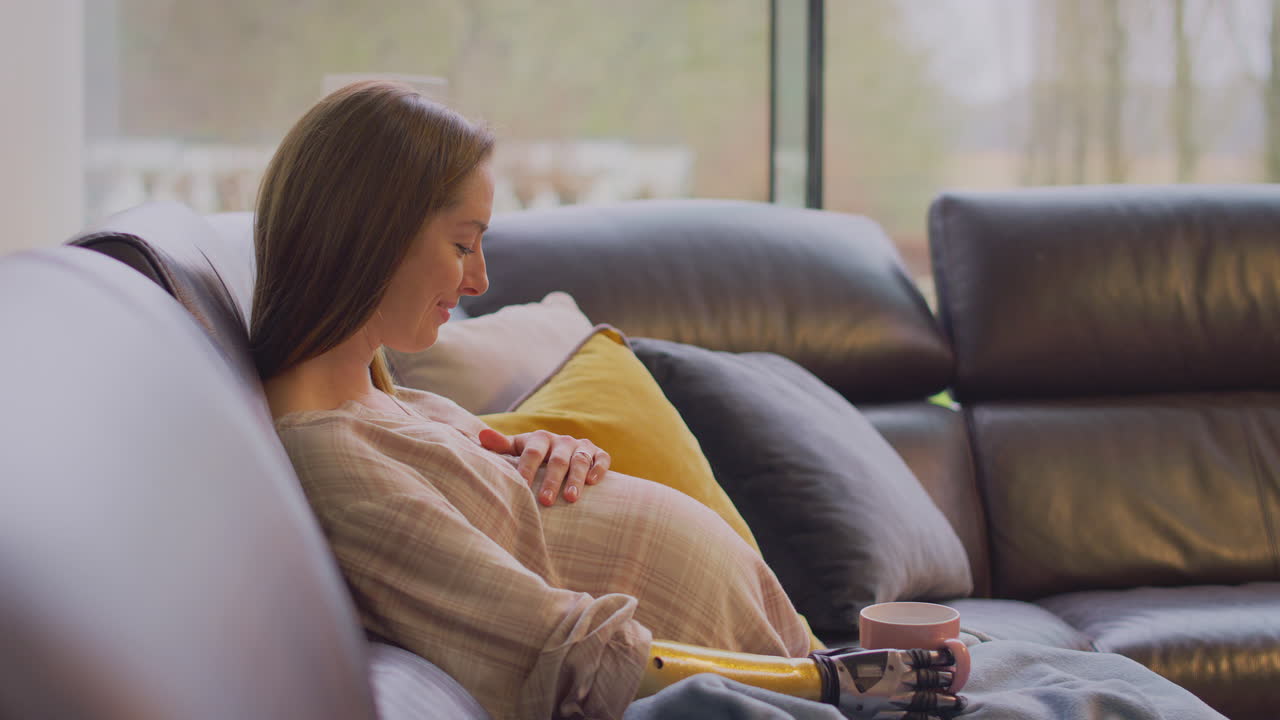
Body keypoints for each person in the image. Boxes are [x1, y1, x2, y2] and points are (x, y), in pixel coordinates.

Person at [249, 80, 962, 720]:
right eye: (464, 244)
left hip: (773, 656)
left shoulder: (378, 397)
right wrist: (833, 683)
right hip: (764, 686)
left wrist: (547, 450)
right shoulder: (332, 458)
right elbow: (571, 651)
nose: (480, 281)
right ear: (371, 235)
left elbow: (512, 520)